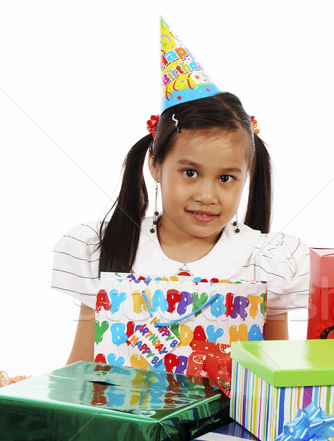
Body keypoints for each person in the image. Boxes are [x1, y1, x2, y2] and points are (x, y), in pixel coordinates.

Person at [51, 20, 309, 365]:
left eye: (227, 178)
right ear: (155, 165)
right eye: (190, 172)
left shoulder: (268, 261)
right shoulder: (105, 246)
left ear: (247, 175)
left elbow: (280, 373)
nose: (207, 194)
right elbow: (80, 370)